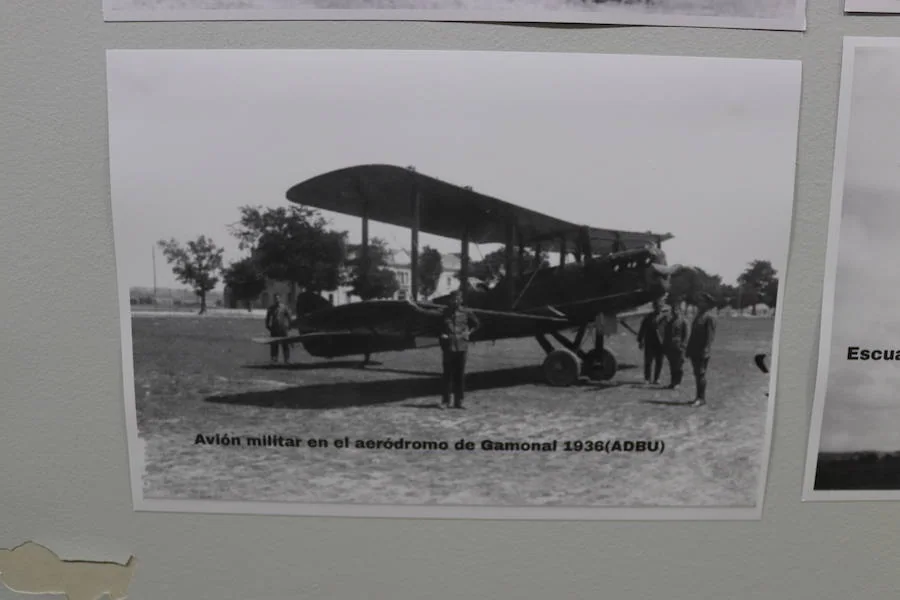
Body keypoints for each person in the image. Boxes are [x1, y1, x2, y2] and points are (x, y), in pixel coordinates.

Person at [439, 290, 481, 409]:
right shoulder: (445, 312)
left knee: (460, 375)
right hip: (448, 347)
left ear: (461, 300)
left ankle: (459, 401)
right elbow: (434, 322)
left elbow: (477, 324)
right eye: (453, 299)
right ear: (450, 300)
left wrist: (468, 333)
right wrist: (442, 335)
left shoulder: (466, 311)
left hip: (462, 347)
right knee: (447, 375)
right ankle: (445, 401)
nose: (456, 301)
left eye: (458, 298)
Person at [685, 292, 717, 407]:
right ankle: (698, 397)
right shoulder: (699, 316)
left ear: (707, 304)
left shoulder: (709, 318)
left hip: (702, 351)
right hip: (694, 350)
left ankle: (701, 398)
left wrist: (705, 350)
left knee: (700, 374)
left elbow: (709, 337)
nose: (699, 303)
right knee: (697, 374)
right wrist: (688, 349)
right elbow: (693, 335)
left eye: (702, 302)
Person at [637, 298, 668, 385]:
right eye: (657, 306)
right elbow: (642, 329)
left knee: (659, 361)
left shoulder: (665, 317)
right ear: (654, 307)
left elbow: (668, 330)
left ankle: (657, 378)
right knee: (648, 361)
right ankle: (647, 378)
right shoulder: (648, 317)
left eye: (660, 306)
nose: (658, 308)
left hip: (661, 343)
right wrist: (640, 340)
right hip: (649, 341)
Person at [663, 300, 689, 389]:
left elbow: (686, 335)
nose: (675, 312)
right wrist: (665, 346)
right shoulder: (669, 322)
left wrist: (683, 346)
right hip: (671, 347)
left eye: (677, 310)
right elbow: (666, 335)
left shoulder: (683, 321)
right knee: (672, 366)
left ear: (680, 311)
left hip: (679, 347)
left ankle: (678, 382)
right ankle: (673, 382)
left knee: (679, 366)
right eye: (673, 310)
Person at [265, 293, 293, 364]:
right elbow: (267, 318)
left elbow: (289, 317)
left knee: (285, 344)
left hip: (283, 328)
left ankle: (287, 359)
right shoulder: (271, 308)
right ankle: (274, 359)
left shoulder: (284, 307)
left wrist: (290, 326)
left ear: (280, 299)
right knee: (274, 344)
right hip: (274, 329)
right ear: (274, 299)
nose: (277, 300)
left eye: (278, 298)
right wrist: (268, 326)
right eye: (275, 298)